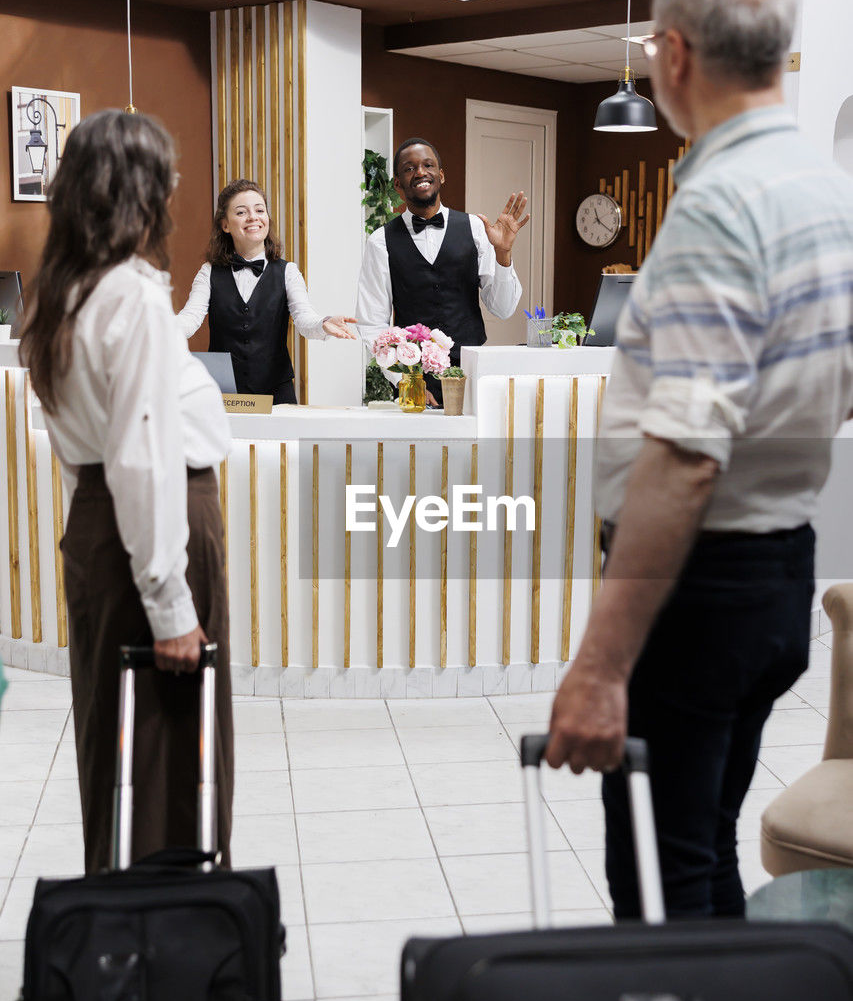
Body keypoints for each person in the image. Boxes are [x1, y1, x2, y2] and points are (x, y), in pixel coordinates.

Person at [545, 0, 853, 919]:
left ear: (672, 54)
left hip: (697, 585)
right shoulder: (826, 186)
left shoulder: (719, 202)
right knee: (699, 848)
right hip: (778, 570)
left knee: (656, 874)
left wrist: (597, 666)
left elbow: (683, 455)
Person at [19, 109, 234, 874]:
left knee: (113, 741)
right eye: (166, 179)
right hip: (157, 529)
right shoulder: (134, 296)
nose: (174, 193)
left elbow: (85, 458)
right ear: (136, 192)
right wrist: (171, 606)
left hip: (99, 531)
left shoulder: (56, 293)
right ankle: (174, 952)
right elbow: (143, 456)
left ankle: (113, 936)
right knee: (173, 760)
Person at [356, 138, 529, 403]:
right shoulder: (380, 241)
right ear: (398, 184)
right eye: (409, 168)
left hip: (472, 378)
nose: (421, 172)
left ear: (441, 175)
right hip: (412, 381)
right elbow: (372, 323)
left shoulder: (475, 228)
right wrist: (405, 380)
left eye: (428, 165)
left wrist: (503, 254)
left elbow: (503, 309)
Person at [178, 179, 356, 403]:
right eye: (241, 212)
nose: (253, 217)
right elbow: (190, 318)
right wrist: (158, 327)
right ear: (225, 224)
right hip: (224, 393)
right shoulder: (208, 272)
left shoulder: (288, 272)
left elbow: (304, 319)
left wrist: (324, 323)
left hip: (276, 393)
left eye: (259, 210)